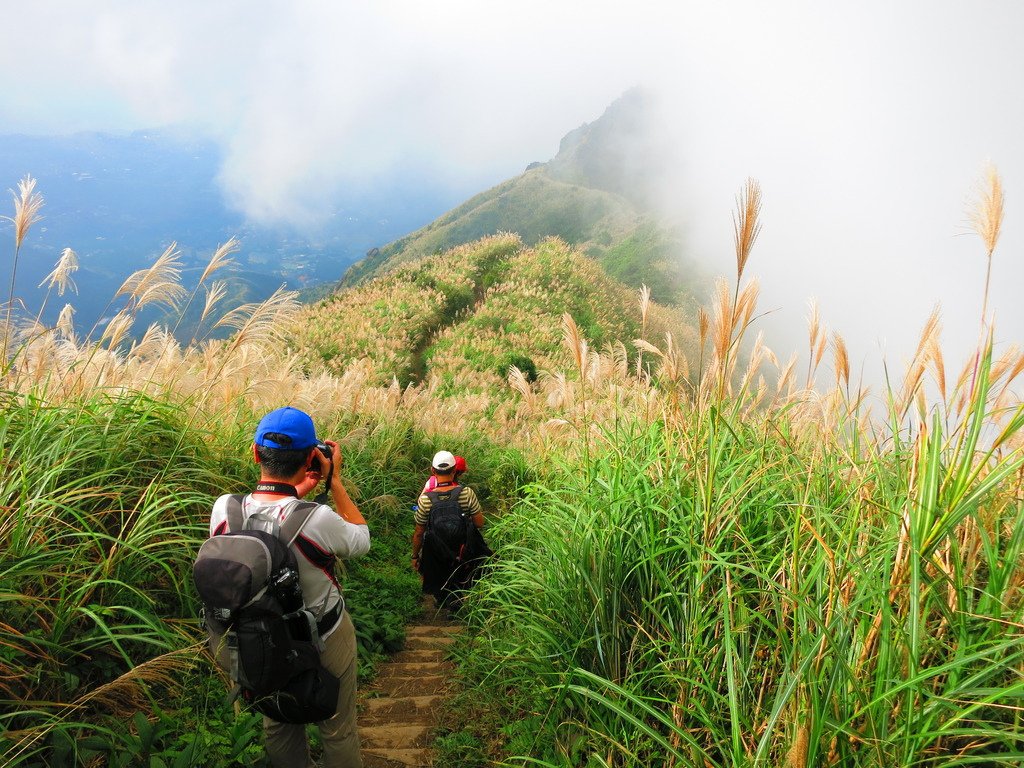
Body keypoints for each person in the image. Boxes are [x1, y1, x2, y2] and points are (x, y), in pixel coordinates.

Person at [209, 406, 369, 768]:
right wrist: (335, 482)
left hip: (259, 640)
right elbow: (361, 538)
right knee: (337, 729)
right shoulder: (318, 518)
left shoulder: (225, 510)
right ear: (312, 456)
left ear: (255, 452)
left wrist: (297, 490)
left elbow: (267, 519)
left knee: (278, 726)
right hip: (324, 637)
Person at [412, 450, 490, 610]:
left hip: (436, 549)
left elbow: (419, 532)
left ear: (433, 471)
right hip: (463, 548)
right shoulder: (467, 493)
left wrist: (415, 556)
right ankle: (458, 598)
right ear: (454, 471)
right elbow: (479, 523)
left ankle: (442, 597)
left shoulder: (426, 499)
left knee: (436, 563)